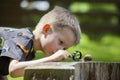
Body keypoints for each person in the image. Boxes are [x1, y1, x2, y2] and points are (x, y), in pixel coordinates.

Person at [0, 6, 81, 80]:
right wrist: (51, 59)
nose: (60, 50)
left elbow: (2, 68)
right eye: (60, 42)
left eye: (64, 48)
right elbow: (13, 70)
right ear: (46, 29)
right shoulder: (24, 39)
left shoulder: (29, 50)